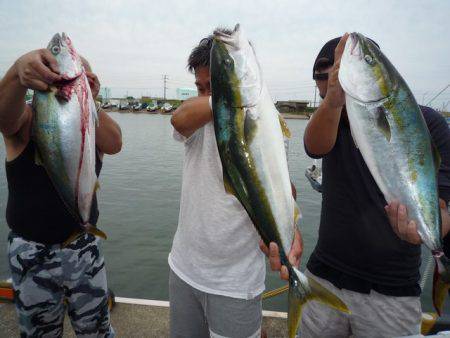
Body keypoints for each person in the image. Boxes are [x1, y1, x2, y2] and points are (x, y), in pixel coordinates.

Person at [267, 34, 450, 337]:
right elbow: (313, 145)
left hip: (392, 290)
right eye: (320, 79)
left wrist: (428, 234)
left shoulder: (428, 124)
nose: (328, 82)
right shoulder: (334, 119)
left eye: (336, 72)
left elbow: (443, 204)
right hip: (324, 275)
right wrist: (334, 99)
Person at [169, 29, 302, 338]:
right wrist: (229, 96)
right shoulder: (197, 122)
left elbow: (281, 187)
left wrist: (292, 232)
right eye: (200, 87)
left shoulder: (263, 118)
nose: (204, 95)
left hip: (237, 283)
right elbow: (179, 119)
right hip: (184, 269)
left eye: (211, 86)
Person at [0, 48, 122, 337]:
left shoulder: (91, 127)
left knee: (96, 331)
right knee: (39, 333)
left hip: (83, 246)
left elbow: (115, 143)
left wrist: (90, 101)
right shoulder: (26, 120)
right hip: (31, 251)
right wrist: (18, 73)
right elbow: (4, 119)